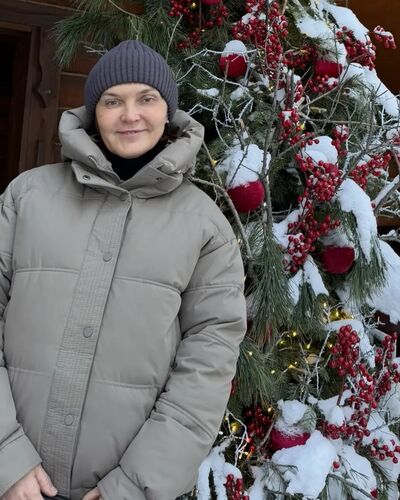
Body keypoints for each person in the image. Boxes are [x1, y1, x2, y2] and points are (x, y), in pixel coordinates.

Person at [0, 40, 246, 500]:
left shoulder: (204, 226)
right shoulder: (26, 198)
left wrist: (133, 486)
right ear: (94, 113)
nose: (130, 115)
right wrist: (6, 459)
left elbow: (208, 366)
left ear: (167, 111)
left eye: (146, 98)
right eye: (112, 101)